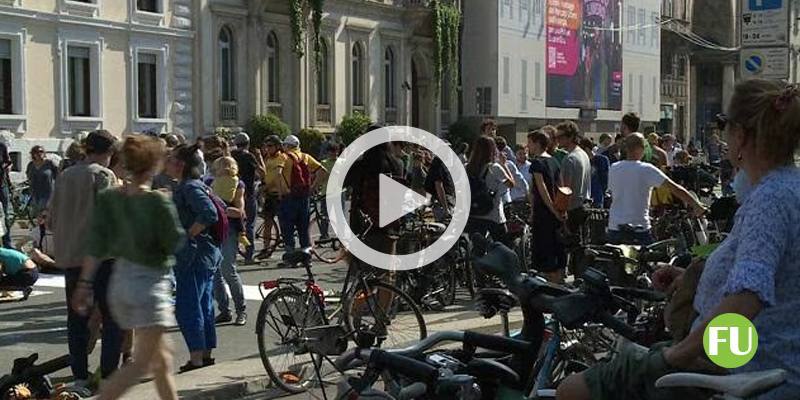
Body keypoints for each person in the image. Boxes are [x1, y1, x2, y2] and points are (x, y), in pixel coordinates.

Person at [558, 78, 800, 400]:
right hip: (763, 360)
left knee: (572, 391)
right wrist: (693, 278)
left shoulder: (769, 199)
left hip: (746, 368)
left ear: (740, 135)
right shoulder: (787, 188)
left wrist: (678, 354)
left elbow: (747, 296)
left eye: (725, 125)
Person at [72, 135, 183, 400]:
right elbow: (175, 242)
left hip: (120, 283)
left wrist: (84, 284)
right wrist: (167, 206)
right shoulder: (157, 201)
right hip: (149, 286)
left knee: (162, 360)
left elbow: (96, 245)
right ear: (153, 165)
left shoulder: (111, 198)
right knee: (140, 364)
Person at [48, 130, 122, 390]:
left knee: (76, 318)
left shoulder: (66, 175)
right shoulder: (103, 175)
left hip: (71, 255)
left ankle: (79, 373)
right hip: (101, 256)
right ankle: (109, 374)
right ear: (109, 152)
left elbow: (51, 217)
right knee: (113, 318)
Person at [165, 144, 222, 373]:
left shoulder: (188, 187)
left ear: (181, 164)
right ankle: (205, 353)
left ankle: (196, 357)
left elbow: (210, 213)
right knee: (204, 305)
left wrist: (188, 234)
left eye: (171, 159)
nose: (167, 162)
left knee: (188, 307)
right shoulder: (195, 185)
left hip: (193, 256)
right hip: (205, 255)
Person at [605, 133, 704, 245]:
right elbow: (675, 189)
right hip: (639, 228)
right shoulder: (647, 169)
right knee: (650, 259)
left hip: (615, 228)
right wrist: (697, 206)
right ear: (641, 149)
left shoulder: (614, 168)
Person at [208, 156, 247, 326]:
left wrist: (218, 207)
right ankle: (225, 310)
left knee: (227, 271)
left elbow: (239, 212)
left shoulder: (237, 184)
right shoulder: (211, 183)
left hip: (227, 229)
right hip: (215, 228)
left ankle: (240, 310)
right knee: (216, 273)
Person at [278, 135, 327, 257]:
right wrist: (312, 188)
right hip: (304, 196)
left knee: (287, 227)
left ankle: (290, 256)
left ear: (287, 146)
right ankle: (307, 256)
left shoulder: (283, 157)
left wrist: (283, 189)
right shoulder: (305, 157)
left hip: (289, 197)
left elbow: (278, 173)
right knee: (303, 227)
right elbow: (323, 171)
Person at [527, 131, 566, 283]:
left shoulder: (537, 163)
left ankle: (551, 286)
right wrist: (561, 210)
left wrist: (552, 210)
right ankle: (559, 282)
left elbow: (540, 190)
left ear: (537, 143)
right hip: (557, 211)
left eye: (530, 142)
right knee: (557, 250)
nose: (528, 146)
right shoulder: (555, 161)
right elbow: (562, 187)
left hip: (544, 214)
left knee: (545, 253)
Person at [465, 135, 515, 244]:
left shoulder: (467, 168)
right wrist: (504, 164)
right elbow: (511, 184)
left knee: (477, 248)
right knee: (503, 246)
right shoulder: (495, 168)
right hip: (493, 214)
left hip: (474, 212)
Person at [230, 133, 263, 264]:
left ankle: (232, 252)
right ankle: (249, 255)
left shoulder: (231, 156)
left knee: (234, 224)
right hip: (248, 193)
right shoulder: (249, 156)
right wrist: (259, 158)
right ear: (248, 143)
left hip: (232, 194)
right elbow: (262, 173)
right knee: (249, 225)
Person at [555, 122, 591, 236]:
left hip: (572, 210)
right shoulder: (583, 154)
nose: (557, 140)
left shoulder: (570, 159)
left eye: (560, 137)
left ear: (570, 137)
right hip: (585, 206)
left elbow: (566, 191)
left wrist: (562, 215)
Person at [255, 135, 287, 260]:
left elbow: (276, 177)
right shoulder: (267, 158)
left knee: (284, 221)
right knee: (268, 222)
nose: (267, 148)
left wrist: (266, 186)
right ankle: (266, 248)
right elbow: (266, 174)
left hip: (276, 193)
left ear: (277, 146)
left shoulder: (281, 157)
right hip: (269, 194)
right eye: (266, 146)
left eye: (270, 146)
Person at [26, 146, 59, 218]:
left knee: (45, 214)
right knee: (38, 215)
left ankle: (45, 228)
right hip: (35, 193)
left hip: (47, 193)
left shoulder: (50, 164)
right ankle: (40, 229)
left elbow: (58, 174)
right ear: (33, 154)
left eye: (41, 151)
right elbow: (28, 176)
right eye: (36, 152)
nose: (39, 153)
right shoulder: (31, 165)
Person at [318, 142, 341, 240]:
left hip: (338, 193)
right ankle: (324, 235)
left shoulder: (342, 162)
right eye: (331, 152)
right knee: (324, 216)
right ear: (327, 152)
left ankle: (341, 237)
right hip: (326, 193)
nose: (333, 154)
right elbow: (320, 177)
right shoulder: (324, 163)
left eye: (335, 151)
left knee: (339, 216)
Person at [579, 138, 609, 208]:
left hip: (597, 196)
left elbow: (605, 179)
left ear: (586, 149)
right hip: (585, 198)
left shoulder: (602, 160)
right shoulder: (582, 162)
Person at [425, 154, 455, 222]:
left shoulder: (439, 164)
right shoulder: (438, 165)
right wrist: (445, 208)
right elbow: (439, 186)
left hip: (438, 201)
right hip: (439, 202)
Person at [0, 135, 12, 248]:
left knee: (5, 215)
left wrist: (2, 167)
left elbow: (8, 161)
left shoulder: (1, 146)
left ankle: (7, 243)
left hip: (1, 185)